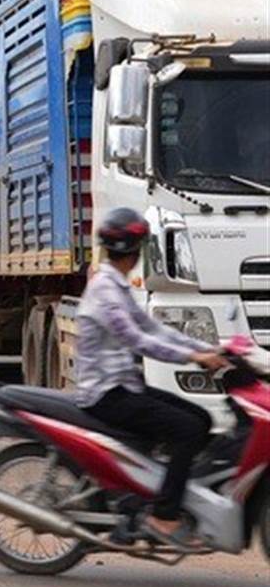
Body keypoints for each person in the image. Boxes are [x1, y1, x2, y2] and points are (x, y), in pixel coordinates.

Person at [75, 207, 229, 549]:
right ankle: (162, 515)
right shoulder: (105, 289)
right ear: (133, 251)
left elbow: (153, 328)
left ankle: (154, 491)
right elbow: (137, 339)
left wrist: (209, 347)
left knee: (201, 419)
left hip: (123, 386)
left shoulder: (115, 284)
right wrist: (194, 357)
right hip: (106, 394)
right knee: (187, 429)